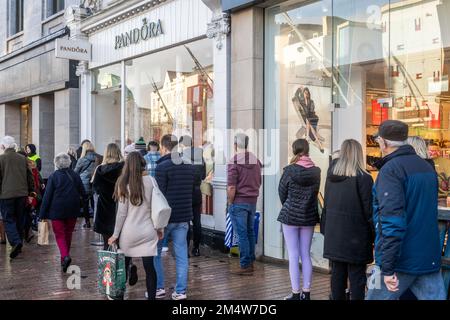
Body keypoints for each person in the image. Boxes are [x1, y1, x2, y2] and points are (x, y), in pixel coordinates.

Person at [366, 120, 446, 300]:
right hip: (427, 255)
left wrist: (386, 267)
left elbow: (391, 221)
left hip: (399, 259)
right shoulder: (426, 167)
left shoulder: (390, 170)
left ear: (383, 142)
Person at [321, 139, 374, 300]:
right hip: (356, 238)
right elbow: (369, 211)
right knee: (357, 279)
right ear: (359, 154)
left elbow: (326, 204)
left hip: (334, 235)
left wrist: (325, 229)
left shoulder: (332, 176)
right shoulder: (364, 178)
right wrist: (374, 236)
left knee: (337, 277)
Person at [108, 152, 163, 300]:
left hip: (129, 233)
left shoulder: (123, 184)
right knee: (149, 268)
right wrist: (159, 229)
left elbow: (121, 214)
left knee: (123, 267)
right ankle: (151, 297)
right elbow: (158, 207)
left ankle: (119, 296)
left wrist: (115, 235)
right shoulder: (151, 181)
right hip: (148, 230)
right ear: (142, 164)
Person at [277, 139, 320, 300]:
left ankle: (295, 293)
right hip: (308, 217)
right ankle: (306, 293)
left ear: (294, 150)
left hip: (290, 216)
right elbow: (314, 194)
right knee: (305, 254)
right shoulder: (316, 171)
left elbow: (282, 192)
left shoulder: (289, 170)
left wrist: (290, 205)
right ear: (308, 150)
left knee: (293, 255)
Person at [154, 134, 195, 300]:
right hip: (184, 216)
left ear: (163, 148)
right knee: (181, 255)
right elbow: (191, 191)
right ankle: (181, 291)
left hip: (165, 218)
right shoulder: (189, 165)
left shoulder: (162, 167)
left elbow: (159, 195)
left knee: (155, 253)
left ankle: (158, 288)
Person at [39, 153, 87, 272]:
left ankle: (65, 256)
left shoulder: (54, 176)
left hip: (57, 210)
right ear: (69, 162)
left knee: (60, 234)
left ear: (56, 163)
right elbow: (83, 192)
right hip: (72, 209)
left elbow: (47, 196)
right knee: (68, 233)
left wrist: (42, 214)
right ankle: (63, 258)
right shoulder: (75, 175)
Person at [227, 133, 262, 276]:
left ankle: (245, 264)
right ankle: (250, 263)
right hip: (252, 200)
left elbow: (231, 187)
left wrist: (230, 201)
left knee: (242, 234)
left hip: (239, 202)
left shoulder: (234, 162)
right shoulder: (256, 161)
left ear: (235, 145)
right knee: (249, 232)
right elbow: (259, 181)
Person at [0, 136, 35, 259]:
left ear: (3, 146)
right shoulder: (22, 158)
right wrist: (31, 193)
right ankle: (18, 244)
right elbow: (30, 177)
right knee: (20, 219)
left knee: (8, 219)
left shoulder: (1, 159)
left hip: (6, 195)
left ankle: (16, 242)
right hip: (22, 194)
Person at [92, 143, 124, 250]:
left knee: (107, 244)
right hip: (121, 207)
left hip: (104, 210)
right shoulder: (124, 168)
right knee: (123, 243)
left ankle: (108, 266)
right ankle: (125, 265)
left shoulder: (100, 170)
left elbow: (96, 189)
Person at [180, 135, 206, 257]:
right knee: (197, 222)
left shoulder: (180, 157)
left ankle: (185, 249)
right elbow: (204, 176)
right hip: (197, 192)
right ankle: (196, 248)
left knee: (185, 222)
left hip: (185, 192)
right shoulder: (200, 157)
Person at [74, 142, 98, 228]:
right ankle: (96, 222)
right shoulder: (98, 158)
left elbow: (75, 172)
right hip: (95, 183)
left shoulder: (82, 160)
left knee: (85, 204)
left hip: (84, 184)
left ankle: (87, 222)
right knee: (94, 203)